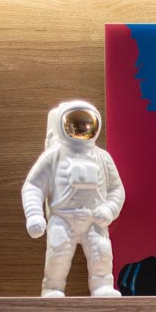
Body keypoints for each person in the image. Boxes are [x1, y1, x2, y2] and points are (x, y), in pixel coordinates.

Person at [22, 99, 125, 298]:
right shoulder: (54, 156)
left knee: (101, 254)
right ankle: (52, 288)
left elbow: (116, 189)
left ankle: (102, 285)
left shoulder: (102, 158)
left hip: (94, 218)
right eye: (74, 123)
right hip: (63, 218)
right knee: (57, 256)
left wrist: (109, 210)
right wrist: (34, 214)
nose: (81, 128)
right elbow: (33, 186)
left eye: (86, 123)